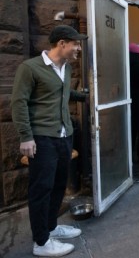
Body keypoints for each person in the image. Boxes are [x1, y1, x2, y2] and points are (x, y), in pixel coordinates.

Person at [10, 25, 87, 257]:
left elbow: (61, 93)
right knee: (41, 189)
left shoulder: (65, 69)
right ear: (62, 43)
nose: (79, 48)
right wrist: (26, 136)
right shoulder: (30, 68)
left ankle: (51, 227)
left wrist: (87, 97)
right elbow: (19, 102)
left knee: (57, 185)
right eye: (76, 43)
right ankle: (41, 242)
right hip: (42, 139)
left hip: (64, 136)